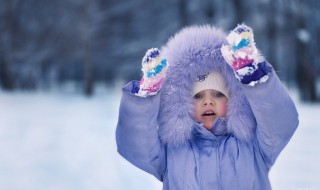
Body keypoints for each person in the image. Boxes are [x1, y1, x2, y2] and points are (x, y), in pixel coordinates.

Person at [115, 24, 299, 190]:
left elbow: (280, 124)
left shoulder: (254, 144)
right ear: (179, 105)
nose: (208, 102)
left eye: (218, 94)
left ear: (235, 100)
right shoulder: (172, 151)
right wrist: (145, 99)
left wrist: (254, 81)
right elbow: (137, 147)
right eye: (198, 96)